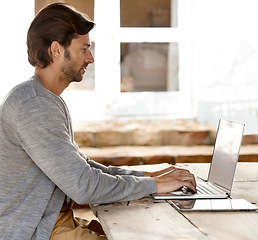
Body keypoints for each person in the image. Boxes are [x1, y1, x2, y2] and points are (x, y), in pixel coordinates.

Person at [0, 3, 196, 240]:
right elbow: (84, 186)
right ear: (56, 50)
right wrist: (154, 185)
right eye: (84, 48)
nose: (90, 58)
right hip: (33, 229)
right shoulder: (34, 105)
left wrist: (147, 176)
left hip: (50, 219)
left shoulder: (44, 99)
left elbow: (83, 168)